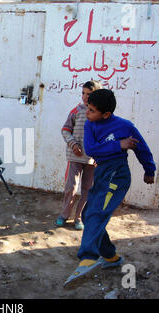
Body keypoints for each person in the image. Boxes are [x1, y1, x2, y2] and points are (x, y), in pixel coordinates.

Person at [63, 89, 156, 288]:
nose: (87, 112)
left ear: (106, 114)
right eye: (87, 107)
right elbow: (92, 150)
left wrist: (149, 169)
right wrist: (119, 144)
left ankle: (88, 257)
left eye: (92, 110)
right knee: (89, 215)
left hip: (117, 174)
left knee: (97, 212)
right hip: (102, 172)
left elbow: (142, 148)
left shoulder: (125, 126)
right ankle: (111, 257)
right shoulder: (90, 124)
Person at [57, 80, 102, 231]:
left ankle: (79, 217)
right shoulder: (76, 111)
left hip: (92, 159)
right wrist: (73, 144)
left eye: (88, 94)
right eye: (83, 93)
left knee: (87, 189)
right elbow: (65, 130)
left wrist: (99, 156)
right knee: (71, 187)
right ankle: (64, 215)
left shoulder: (100, 115)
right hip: (74, 156)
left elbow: (103, 136)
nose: (84, 97)